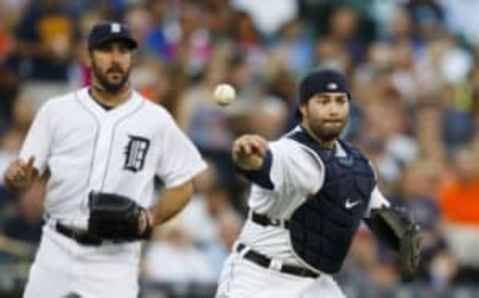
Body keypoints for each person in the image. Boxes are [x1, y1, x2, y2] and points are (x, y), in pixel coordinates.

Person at [3, 22, 207, 298]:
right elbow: (22, 174)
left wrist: (151, 217)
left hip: (115, 258)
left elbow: (184, 182)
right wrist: (17, 178)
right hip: (57, 247)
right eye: (106, 50)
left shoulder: (155, 119)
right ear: (89, 56)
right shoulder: (56, 110)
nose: (115, 59)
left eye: (123, 51)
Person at [215, 69, 420, 298]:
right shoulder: (288, 151)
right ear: (303, 108)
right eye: (323, 101)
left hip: (317, 285)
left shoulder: (358, 165)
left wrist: (403, 236)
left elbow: (381, 217)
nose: (333, 109)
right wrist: (246, 154)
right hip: (260, 278)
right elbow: (259, 164)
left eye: (340, 101)